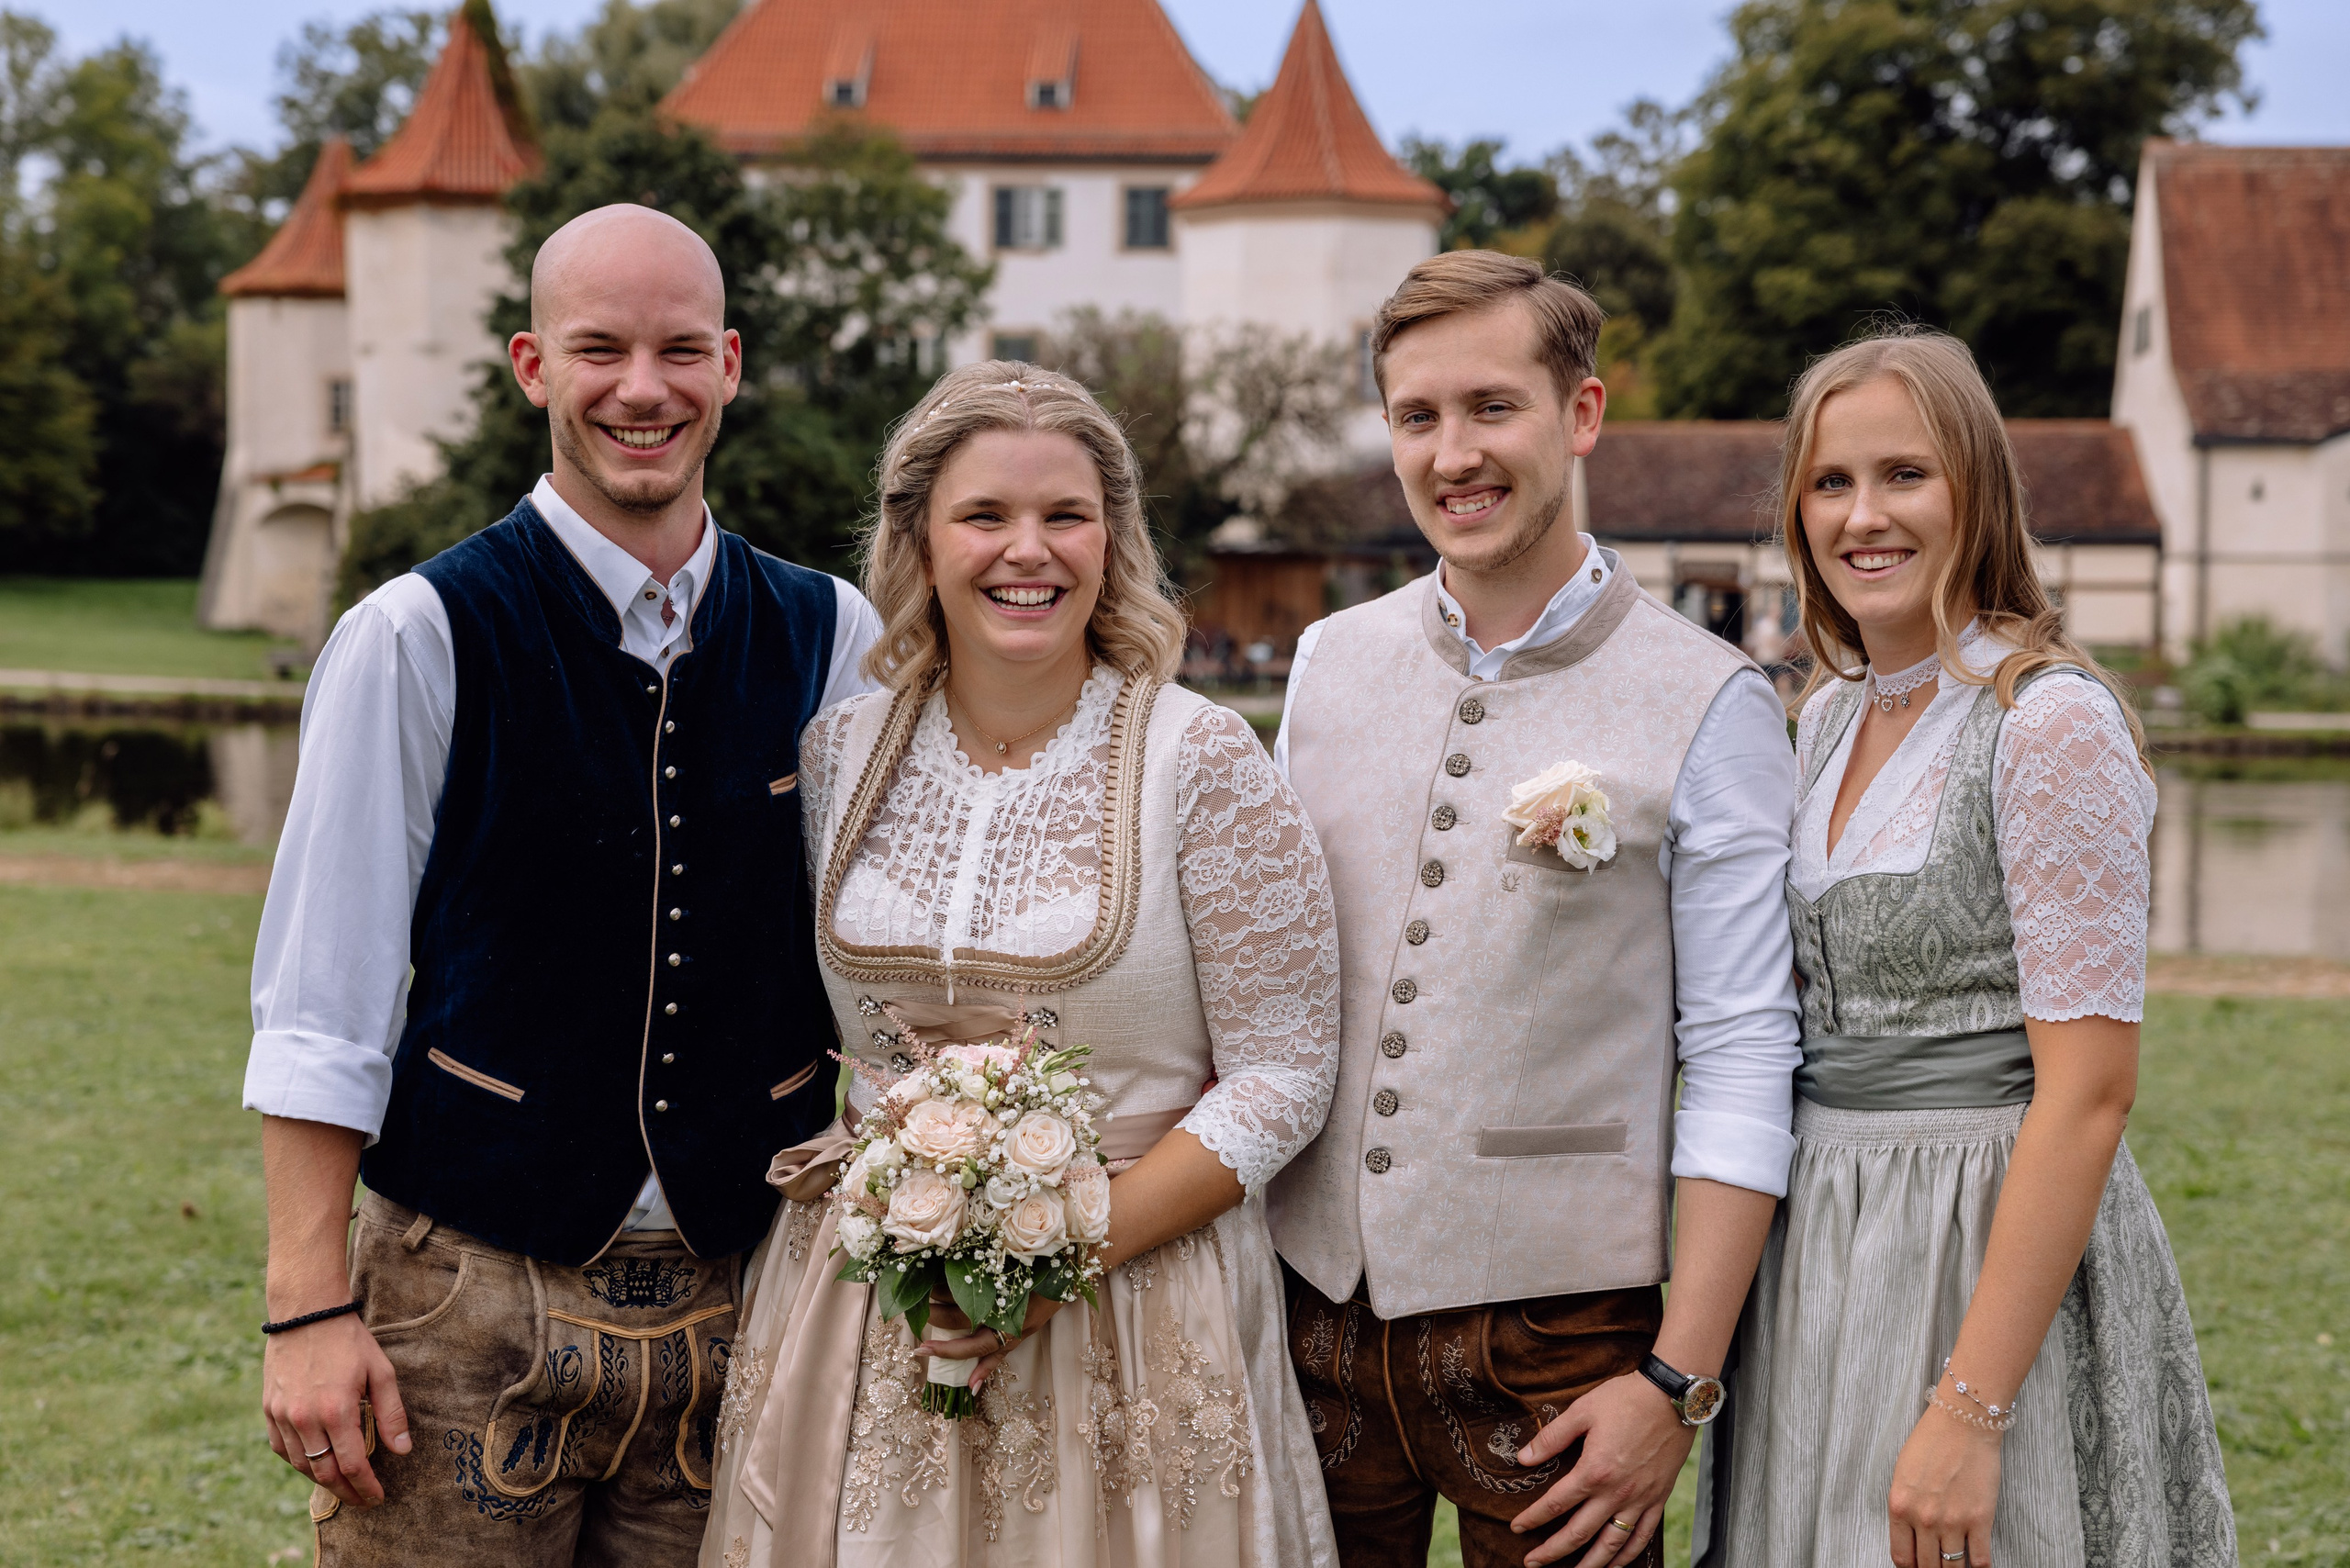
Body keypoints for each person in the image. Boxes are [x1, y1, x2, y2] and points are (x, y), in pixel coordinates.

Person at [243, 203, 882, 1565]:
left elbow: (881, 959)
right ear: (534, 367)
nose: (643, 389)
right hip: (464, 1299)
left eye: (680, 350)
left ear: (729, 366)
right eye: (601, 350)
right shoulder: (416, 633)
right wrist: (305, 1307)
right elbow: (321, 1000)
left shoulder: (832, 632)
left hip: (746, 1292)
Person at [700, 363, 1342, 1567]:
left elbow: (1285, 1071)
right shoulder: (837, 755)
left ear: (1114, 540)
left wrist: (1061, 1253)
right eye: (985, 515)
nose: (1027, 551)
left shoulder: (1201, 761)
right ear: (919, 540)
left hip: (1136, 1314)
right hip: (870, 1308)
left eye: (1065, 516)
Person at [1270, 250, 1803, 1568]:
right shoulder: (1327, 661)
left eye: (1492, 407)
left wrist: (1677, 1381)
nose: (1453, 454)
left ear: (1582, 414)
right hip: (1305, 1311)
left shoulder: (1714, 698)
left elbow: (1743, 1051)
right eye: (1417, 416)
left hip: (1561, 1341)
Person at [1701, 327, 2233, 1567]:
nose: (1863, 516)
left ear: (1977, 489)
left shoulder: (2046, 724)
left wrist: (1971, 1407)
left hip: (1977, 1240)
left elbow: (2089, 1095)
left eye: (1906, 474)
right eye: (1831, 482)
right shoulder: (1823, 720)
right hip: (1818, 1245)